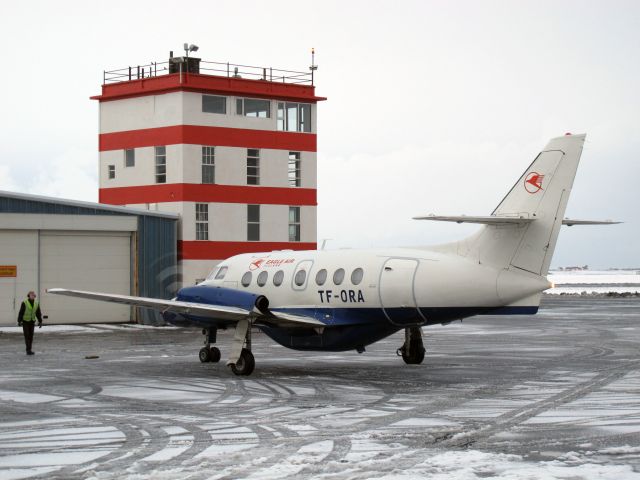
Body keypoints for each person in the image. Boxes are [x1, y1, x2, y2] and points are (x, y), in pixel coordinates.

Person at [17, 291, 43, 355]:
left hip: (32, 322)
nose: (32, 296)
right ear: (28, 295)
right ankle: (28, 350)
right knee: (27, 335)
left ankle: (29, 349)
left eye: (33, 295)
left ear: (34, 296)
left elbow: (38, 313)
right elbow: (21, 312)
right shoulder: (24, 302)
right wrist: (19, 321)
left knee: (31, 336)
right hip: (25, 321)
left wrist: (40, 321)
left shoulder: (36, 303)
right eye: (31, 295)